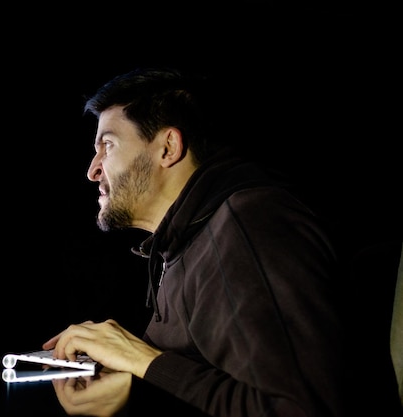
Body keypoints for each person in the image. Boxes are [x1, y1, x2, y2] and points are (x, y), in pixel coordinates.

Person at [42, 67, 357, 417]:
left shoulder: (247, 227)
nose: (93, 170)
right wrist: (127, 379)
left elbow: (300, 409)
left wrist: (141, 359)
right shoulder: (184, 243)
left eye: (108, 145)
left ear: (168, 147)